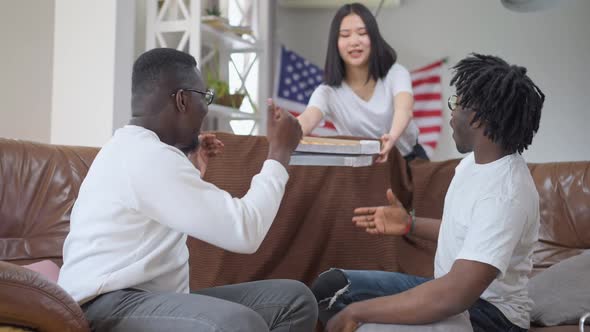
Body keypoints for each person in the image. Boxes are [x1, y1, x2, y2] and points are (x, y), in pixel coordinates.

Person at [57, 48, 318, 332]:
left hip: (151, 300)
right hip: (102, 308)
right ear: (182, 100)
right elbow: (245, 231)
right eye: (204, 98)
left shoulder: (142, 150)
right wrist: (279, 153)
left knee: (294, 301)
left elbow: (169, 207)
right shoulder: (146, 157)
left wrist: (191, 170)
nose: (205, 110)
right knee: (238, 323)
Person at [310, 53, 545, 332]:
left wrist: (357, 312)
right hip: (453, 295)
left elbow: (456, 294)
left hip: (493, 316)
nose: (451, 113)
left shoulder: (506, 194)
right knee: (332, 288)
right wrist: (410, 224)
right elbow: (467, 233)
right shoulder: (473, 164)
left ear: (478, 119)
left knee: (368, 326)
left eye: (456, 103)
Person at [297, 2, 426, 162]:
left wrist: (391, 138)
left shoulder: (396, 73)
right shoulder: (327, 92)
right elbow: (307, 119)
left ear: (374, 37)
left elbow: (404, 110)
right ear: (335, 43)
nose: (354, 41)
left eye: (362, 33)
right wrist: (285, 127)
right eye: (345, 35)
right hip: (361, 168)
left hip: (408, 160)